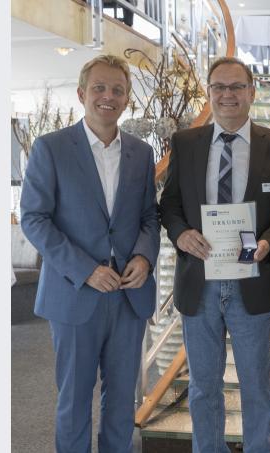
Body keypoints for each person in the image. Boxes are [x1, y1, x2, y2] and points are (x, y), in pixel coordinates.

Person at [20, 54, 160, 452]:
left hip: (129, 296)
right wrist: (85, 270)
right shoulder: (51, 148)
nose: (108, 96)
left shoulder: (141, 153)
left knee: (122, 401)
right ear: (82, 94)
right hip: (74, 292)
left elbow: (149, 216)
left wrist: (144, 257)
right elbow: (34, 219)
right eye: (99, 88)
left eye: (117, 90)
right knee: (74, 399)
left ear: (127, 99)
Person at [159, 57, 270, 453]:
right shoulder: (185, 143)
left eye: (236, 86)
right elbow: (169, 204)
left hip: (253, 281)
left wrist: (269, 242)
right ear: (209, 92)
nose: (227, 94)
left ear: (252, 92)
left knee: (256, 381)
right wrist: (181, 233)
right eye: (219, 86)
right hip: (199, 281)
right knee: (203, 385)